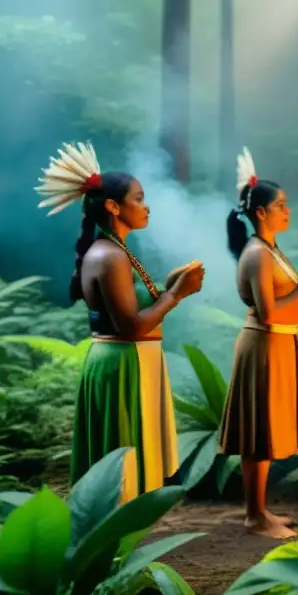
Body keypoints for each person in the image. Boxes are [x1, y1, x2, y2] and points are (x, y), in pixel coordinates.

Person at [35, 142, 205, 502]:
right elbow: (131, 326)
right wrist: (177, 295)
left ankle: (125, 544)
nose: (146, 207)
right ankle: (115, 546)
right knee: (123, 462)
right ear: (113, 206)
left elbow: (135, 307)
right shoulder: (109, 256)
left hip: (133, 363)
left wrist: (169, 286)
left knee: (132, 458)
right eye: (139, 198)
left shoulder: (118, 250)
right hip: (123, 364)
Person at [218, 147, 298, 539]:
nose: (288, 211)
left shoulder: (270, 250)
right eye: (281, 206)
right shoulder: (258, 254)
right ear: (260, 213)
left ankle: (261, 510)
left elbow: (282, 298)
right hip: (263, 344)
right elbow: (267, 311)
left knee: (265, 430)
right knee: (258, 433)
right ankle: (254, 516)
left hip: (278, 344)